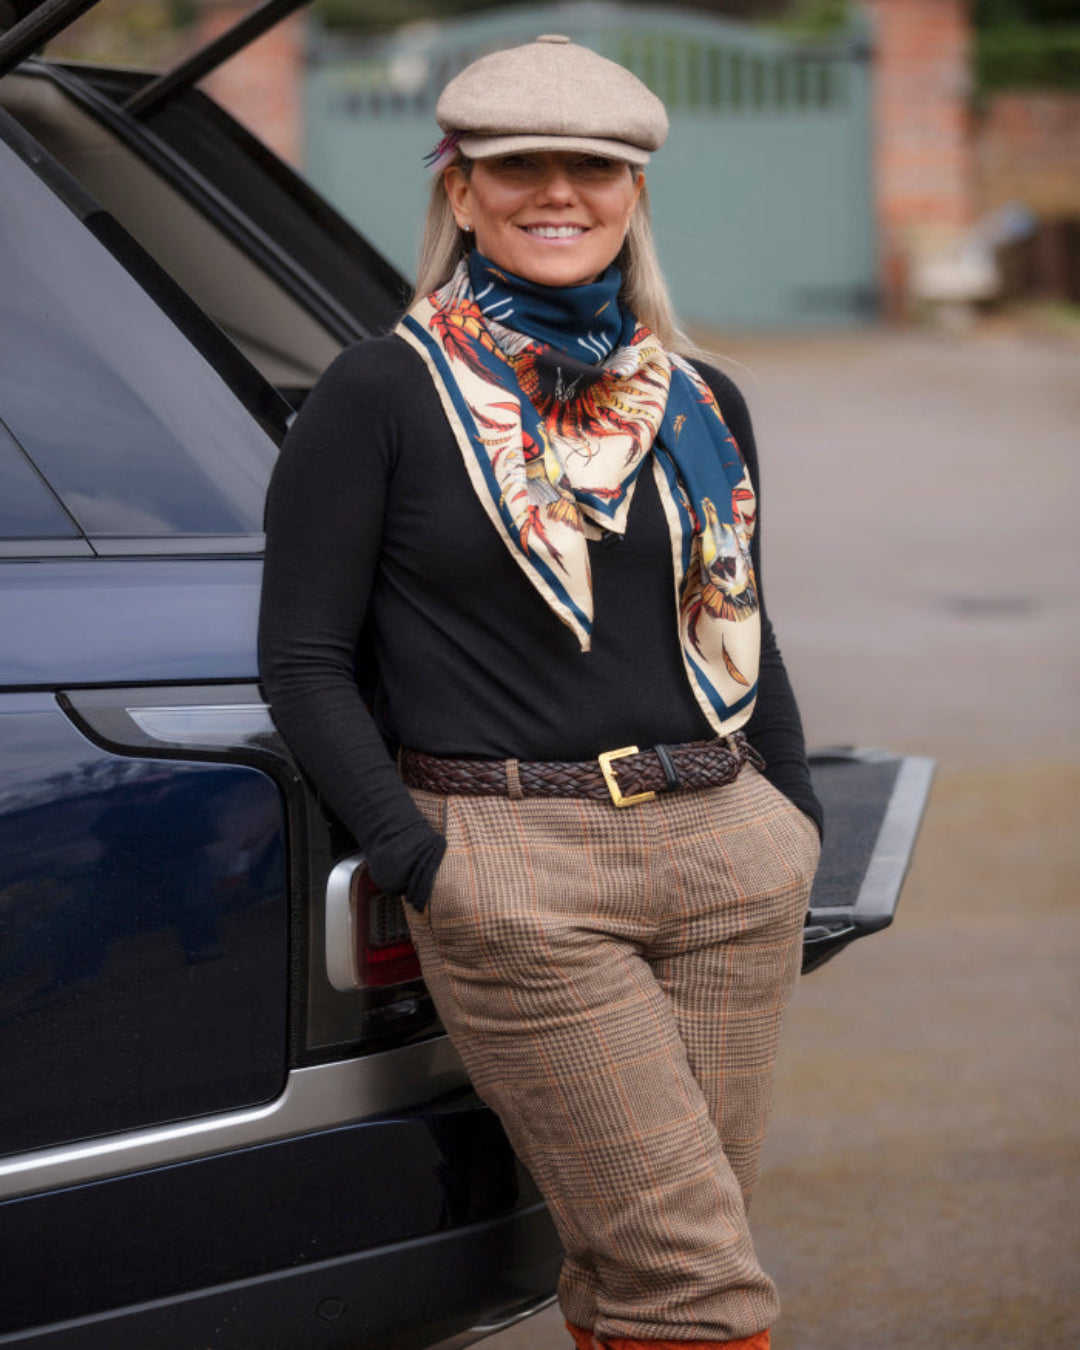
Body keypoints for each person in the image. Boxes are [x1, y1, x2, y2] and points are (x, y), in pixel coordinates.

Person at [259, 34, 823, 1350]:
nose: (557, 192)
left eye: (596, 167)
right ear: (462, 190)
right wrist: (424, 860)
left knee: (659, 1254)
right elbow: (303, 660)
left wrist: (792, 819)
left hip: (726, 856)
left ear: (634, 193)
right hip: (517, 870)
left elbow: (742, 617)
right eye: (520, 167)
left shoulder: (697, 398)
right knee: (698, 1281)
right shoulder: (382, 394)